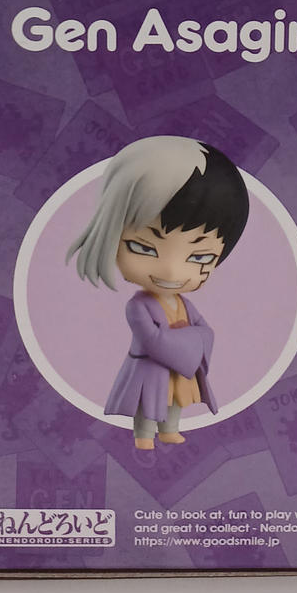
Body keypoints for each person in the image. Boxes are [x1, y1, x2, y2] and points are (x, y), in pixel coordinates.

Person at [67, 136, 249, 449]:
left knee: (176, 401)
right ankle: (143, 435)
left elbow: (206, 330)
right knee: (147, 403)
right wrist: (190, 342)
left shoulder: (184, 303)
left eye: (200, 257)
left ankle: (170, 430)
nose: (171, 272)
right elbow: (152, 339)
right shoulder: (138, 306)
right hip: (150, 367)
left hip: (179, 368)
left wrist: (188, 342)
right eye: (143, 248)